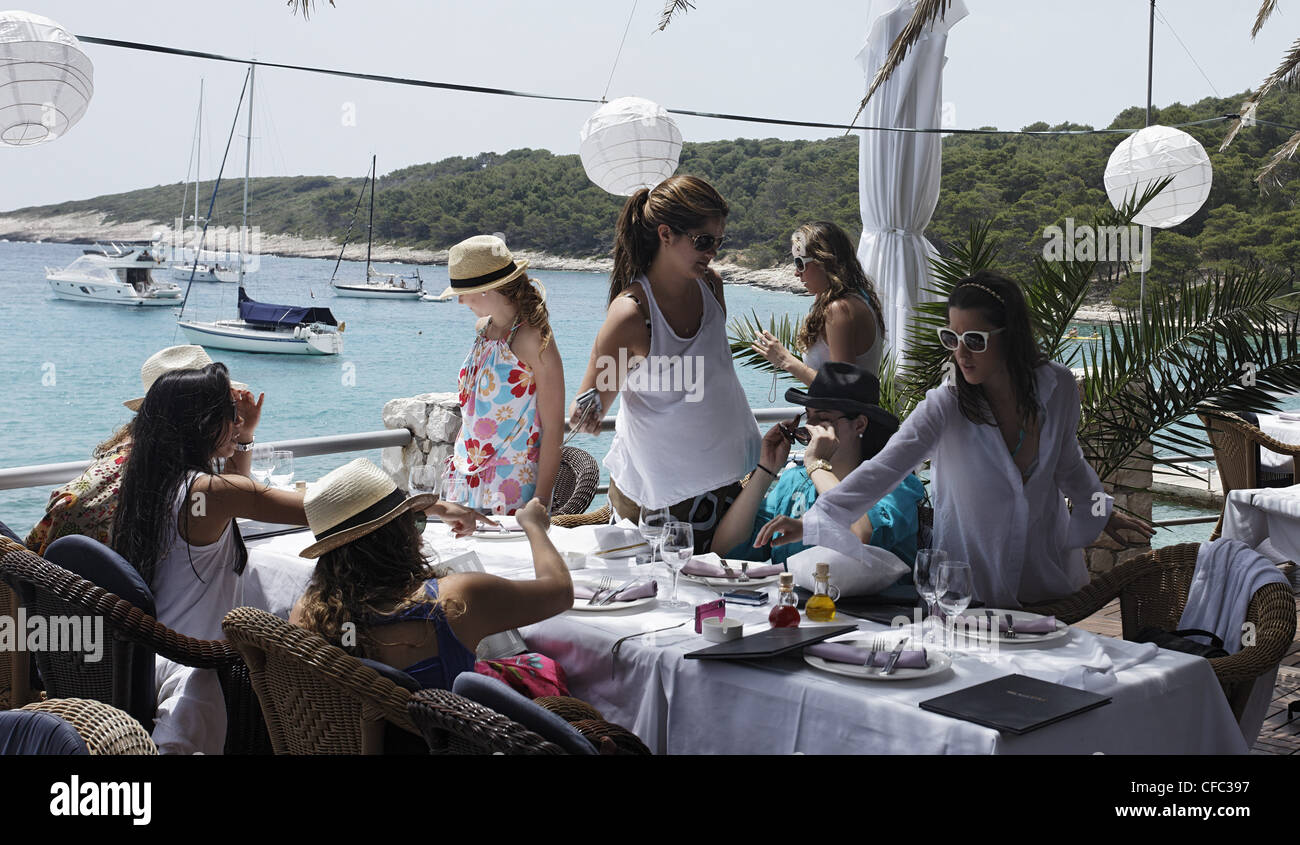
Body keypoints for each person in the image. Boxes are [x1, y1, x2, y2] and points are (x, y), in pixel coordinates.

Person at [756, 270, 1153, 609]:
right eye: (952, 338)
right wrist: (814, 522)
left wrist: (1101, 508)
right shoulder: (946, 404)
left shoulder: (1057, 387)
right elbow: (887, 467)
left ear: (1011, 336)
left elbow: (1068, 462)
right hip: (968, 592)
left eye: (975, 340)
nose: (961, 354)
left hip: (1049, 583)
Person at [567, 174, 760, 550]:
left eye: (719, 242)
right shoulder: (632, 315)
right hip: (668, 497)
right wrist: (584, 410)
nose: (712, 252)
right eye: (704, 241)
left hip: (736, 478)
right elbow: (589, 408)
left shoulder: (711, 285)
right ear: (666, 234)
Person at [291, 459, 573, 690]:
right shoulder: (455, 600)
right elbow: (560, 592)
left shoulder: (306, 613)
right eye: (415, 521)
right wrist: (533, 525)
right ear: (400, 535)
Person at [26, 345, 249, 556]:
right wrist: (243, 436)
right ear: (196, 416)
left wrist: (243, 435)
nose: (236, 418)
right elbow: (230, 501)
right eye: (225, 408)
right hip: (114, 590)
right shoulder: (158, 471)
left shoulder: (135, 449)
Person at [712, 362, 924, 571]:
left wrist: (817, 464)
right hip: (799, 603)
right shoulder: (795, 481)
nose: (810, 428)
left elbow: (862, 536)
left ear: (859, 424)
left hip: (877, 606)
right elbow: (725, 551)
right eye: (808, 416)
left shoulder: (895, 484)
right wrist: (766, 470)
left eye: (823, 419)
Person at [441, 235, 564, 514]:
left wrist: (540, 502)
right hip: (465, 476)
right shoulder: (483, 329)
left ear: (489, 288)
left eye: (463, 292)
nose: (460, 301)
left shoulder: (534, 338)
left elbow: (554, 428)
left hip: (510, 484)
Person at [749, 222, 887, 384]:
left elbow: (843, 389)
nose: (796, 273)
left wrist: (785, 360)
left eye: (800, 263)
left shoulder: (840, 310)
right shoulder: (858, 299)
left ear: (824, 261)